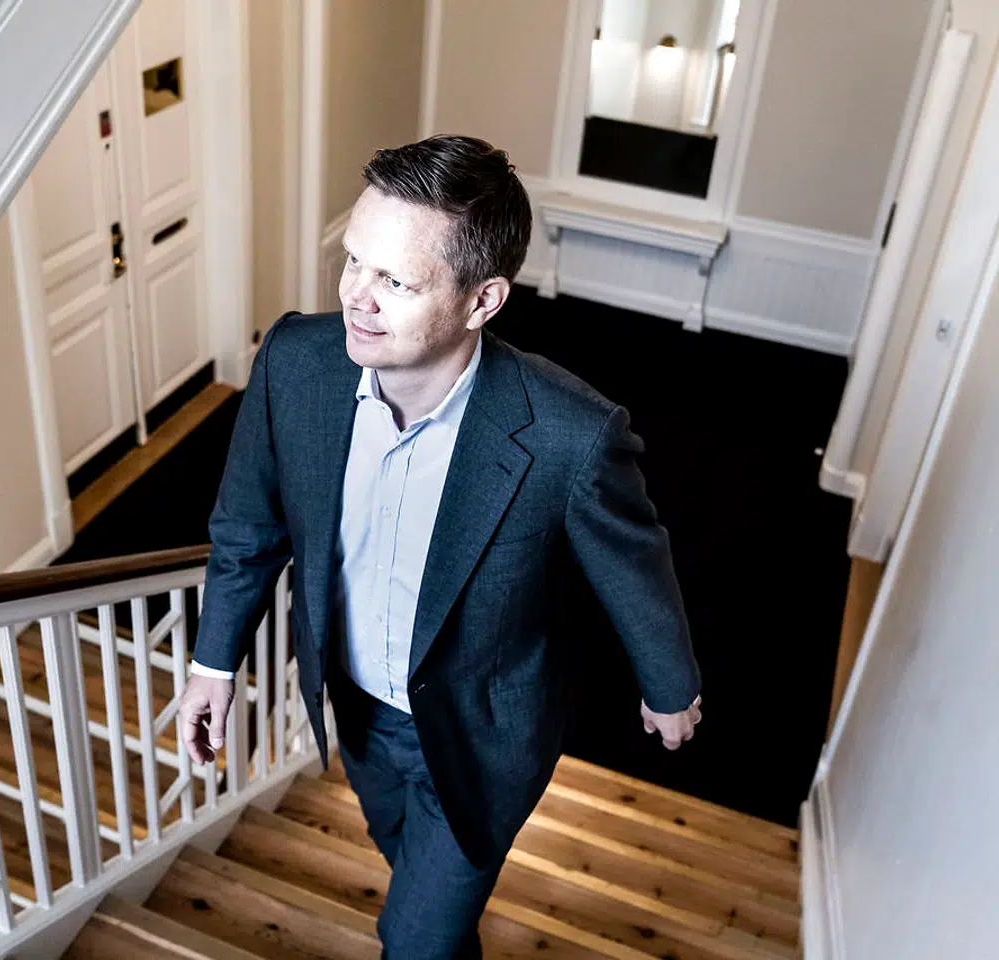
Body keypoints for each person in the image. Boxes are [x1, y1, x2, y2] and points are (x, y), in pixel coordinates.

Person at [177, 135, 703, 958]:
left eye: (396, 281)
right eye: (353, 260)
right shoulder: (294, 363)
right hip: (357, 711)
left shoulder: (570, 435)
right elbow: (249, 527)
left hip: (484, 734)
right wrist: (214, 662)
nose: (356, 297)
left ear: (482, 300)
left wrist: (669, 684)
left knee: (412, 938)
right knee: (417, 887)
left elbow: (634, 564)